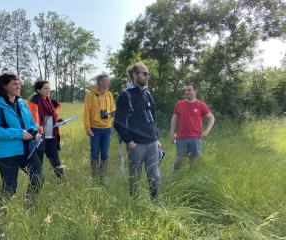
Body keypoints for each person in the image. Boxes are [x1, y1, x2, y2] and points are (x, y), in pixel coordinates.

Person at [0, 73, 44, 211]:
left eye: (19, 83)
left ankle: (29, 207)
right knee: (10, 187)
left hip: (28, 150)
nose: (19, 86)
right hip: (7, 154)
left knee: (38, 178)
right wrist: (18, 133)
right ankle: (3, 214)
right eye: (14, 84)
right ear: (4, 86)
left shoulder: (23, 103)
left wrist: (34, 132)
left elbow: (30, 122)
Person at [114, 62, 161, 200]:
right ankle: (133, 203)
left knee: (154, 175)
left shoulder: (147, 93)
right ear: (135, 75)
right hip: (136, 144)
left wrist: (156, 137)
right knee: (134, 176)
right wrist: (130, 141)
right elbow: (118, 122)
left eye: (148, 74)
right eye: (144, 73)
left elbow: (153, 117)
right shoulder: (125, 96)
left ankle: (155, 203)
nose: (148, 76)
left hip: (152, 143)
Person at [170, 82, 215, 171]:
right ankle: (175, 174)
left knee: (192, 158)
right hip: (181, 137)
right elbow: (174, 119)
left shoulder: (201, 105)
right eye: (186, 90)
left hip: (195, 137)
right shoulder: (179, 104)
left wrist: (207, 131)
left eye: (189, 90)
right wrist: (172, 134)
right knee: (179, 158)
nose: (187, 92)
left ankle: (190, 175)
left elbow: (211, 118)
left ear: (195, 91)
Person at [28, 80, 64, 179]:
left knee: (56, 163)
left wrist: (58, 121)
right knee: (38, 165)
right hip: (39, 138)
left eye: (49, 89)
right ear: (39, 90)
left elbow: (51, 119)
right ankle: (37, 185)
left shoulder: (51, 103)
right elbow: (31, 121)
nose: (48, 91)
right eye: (45, 88)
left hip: (51, 137)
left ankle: (63, 182)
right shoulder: (33, 104)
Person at [83, 74, 115, 183]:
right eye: (107, 81)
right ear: (100, 82)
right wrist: (87, 128)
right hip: (95, 129)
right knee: (95, 153)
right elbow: (86, 112)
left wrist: (113, 114)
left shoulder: (109, 94)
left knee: (105, 153)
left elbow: (111, 109)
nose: (108, 83)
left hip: (107, 128)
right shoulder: (90, 95)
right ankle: (95, 176)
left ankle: (102, 177)